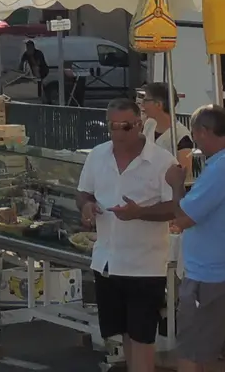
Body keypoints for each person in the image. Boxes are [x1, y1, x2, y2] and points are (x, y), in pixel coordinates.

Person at [114, 105, 225, 372]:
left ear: (205, 132)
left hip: (211, 277)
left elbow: (182, 218)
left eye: (196, 137)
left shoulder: (221, 170)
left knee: (192, 353)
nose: (196, 145)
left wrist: (176, 184)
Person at [77, 98, 181, 372]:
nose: (119, 133)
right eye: (113, 127)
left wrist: (139, 212)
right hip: (108, 262)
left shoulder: (162, 161)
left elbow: (175, 208)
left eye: (125, 127)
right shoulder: (97, 156)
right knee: (125, 336)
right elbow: (83, 192)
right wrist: (86, 206)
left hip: (145, 266)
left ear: (139, 124)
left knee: (143, 338)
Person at [140, 83, 194, 174]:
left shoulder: (181, 135)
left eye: (146, 100)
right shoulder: (149, 125)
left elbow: (184, 172)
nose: (142, 105)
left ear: (158, 105)